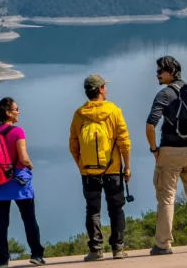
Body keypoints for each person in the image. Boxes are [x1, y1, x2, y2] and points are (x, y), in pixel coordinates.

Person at [145, 56, 187, 255]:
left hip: (170, 152)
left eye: (160, 71)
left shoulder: (164, 94)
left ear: (171, 71)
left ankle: (163, 244)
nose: (157, 75)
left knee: (166, 198)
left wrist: (154, 149)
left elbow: (150, 125)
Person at [69, 74, 132, 261]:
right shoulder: (113, 111)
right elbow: (124, 142)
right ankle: (118, 249)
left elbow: (73, 144)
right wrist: (127, 167)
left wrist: (81, 165)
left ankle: (96, 250)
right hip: (112, 170)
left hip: (88, 172)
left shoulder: (79, 114)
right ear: (101, 90)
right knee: (116, 209)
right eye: (105, 86)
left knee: (93, 210)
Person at [0, 95, 46, 268]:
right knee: (29, 219)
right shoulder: (17, 131)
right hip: (19, 181)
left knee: (1, 223)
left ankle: (2, 260)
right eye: (16, 109)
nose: (19, 112)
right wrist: (30, 165)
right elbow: (23, 157)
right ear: (8, 112)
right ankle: (36, 254)